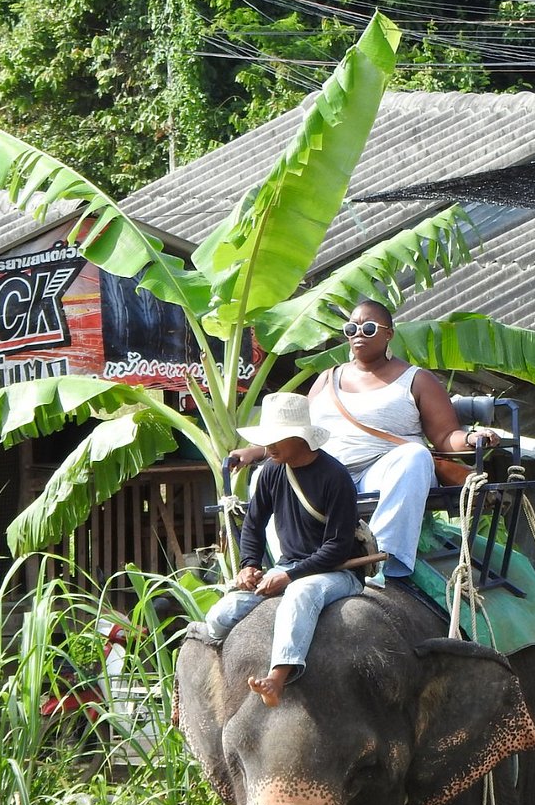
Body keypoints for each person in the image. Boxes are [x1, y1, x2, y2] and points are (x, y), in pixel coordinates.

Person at [232, 299, 499, 585]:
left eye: (369, 328)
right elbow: (294, 431)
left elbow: (446, 436)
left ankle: (382, 561)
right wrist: (256, 451)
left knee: (415, 456)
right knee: (265, 473)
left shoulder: (416, 379)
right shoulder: (327, 379)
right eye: (351, 328)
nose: (359, 333)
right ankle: (284, 564)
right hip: (325, 476)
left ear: (389, 334)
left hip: (383, 474)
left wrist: (471, 437)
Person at [205, 392, 362, 707]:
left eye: (277, 438)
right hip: (288, 568)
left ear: (300, 437)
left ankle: (277, 677)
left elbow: (338, 547)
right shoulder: (272, 471)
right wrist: (249, 565)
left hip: (337, 572)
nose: (270, 447)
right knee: (220, 615)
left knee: (301, 594)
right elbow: (253, 525)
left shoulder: (335, 476)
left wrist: (289, 576)